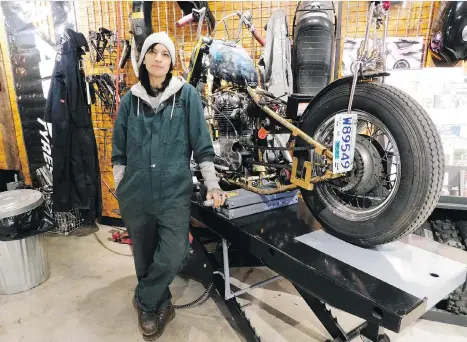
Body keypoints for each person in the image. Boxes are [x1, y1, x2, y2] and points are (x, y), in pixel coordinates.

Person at [111, 32, 227, 341]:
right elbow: (118, 152)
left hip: (173, 192)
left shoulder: (186, 95)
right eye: (153, 52)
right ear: (144, 58)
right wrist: (121, 186)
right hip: (136, 193)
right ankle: (158, 307)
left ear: (172, 61)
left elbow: (202, 146)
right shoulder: (129, 102)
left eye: (165, 54)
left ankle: (145, 298)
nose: (159, 58)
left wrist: (212, 183)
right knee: (144, 254)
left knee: (175, 251)